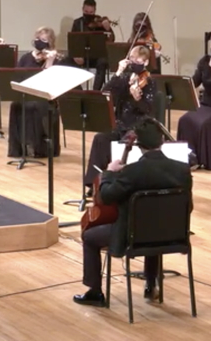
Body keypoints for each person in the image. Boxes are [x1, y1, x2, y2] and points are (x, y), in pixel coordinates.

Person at [74, 118, 193, 307]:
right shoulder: (182, 170)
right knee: (154, 222)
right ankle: (151, 283)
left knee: (89, 236)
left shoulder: (132, 172)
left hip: (132, 237)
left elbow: (105, 197)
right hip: (172, 235)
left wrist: (110, 173)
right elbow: (189, 206)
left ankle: (95, 291)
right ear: (162, 140)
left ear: (138, 145)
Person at [84, 46, 156, 195]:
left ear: (146, 62)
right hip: (120, 124)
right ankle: (94, 183)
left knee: (124, 142)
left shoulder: (150, 82)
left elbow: (147, 110)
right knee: (100, 138)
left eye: (139, 60)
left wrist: (137, 99)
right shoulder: (125, 78)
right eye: (132, 59)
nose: (135, 62)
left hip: (137, 126)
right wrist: (118, 72)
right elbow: (106, 92)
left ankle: (116, 183)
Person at [8, 27, 61, 158]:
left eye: (44, 40)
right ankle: (19, 147)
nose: (39, 42)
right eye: (38, 39)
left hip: (45, 97)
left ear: (50, 43)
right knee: (16, 105)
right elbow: (17, 76)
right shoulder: (26, 57)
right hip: (26, 94)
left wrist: (49, 61)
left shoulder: (54, 59)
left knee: (35, 106)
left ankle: (36, 147)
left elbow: (50, 82)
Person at [70, 0, 115, 90]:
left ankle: (95, 91)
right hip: (82, 56)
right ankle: (76, 91)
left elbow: (111, 40)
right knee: (67, 61)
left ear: (95, 11)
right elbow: (72, 42)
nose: (88, 14)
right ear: (82, 9)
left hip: (96, 57)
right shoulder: (77, 23)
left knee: (103, 62)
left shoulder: (100, 23)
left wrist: (108, 29)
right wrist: (76, 55)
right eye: (86, 11)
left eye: (91, 12)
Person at [177, 54, 211, 168]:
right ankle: (190, 157)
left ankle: (204, 160)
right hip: (206, 103)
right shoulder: (205, 61)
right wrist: (182, 83)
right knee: (185, 119)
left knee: (205, 123)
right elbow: (195, 80)